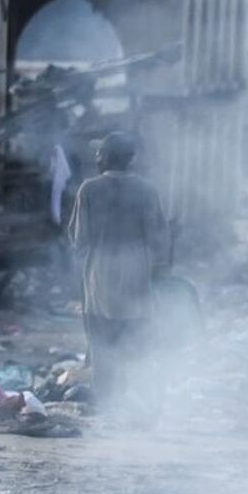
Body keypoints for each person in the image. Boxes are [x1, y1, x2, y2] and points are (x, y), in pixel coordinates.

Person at [67, 131, 169, 408]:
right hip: (137, 277)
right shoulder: (147, 190)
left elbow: (79, 239)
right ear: (130, 159)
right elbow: (158, 238)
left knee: (101, 349)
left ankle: (107, 408)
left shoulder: (88, 189)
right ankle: (136, 407)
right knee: (136, 348)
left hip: (99, 280)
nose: (97, 156)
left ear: (105, 157)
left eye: (99, 153)